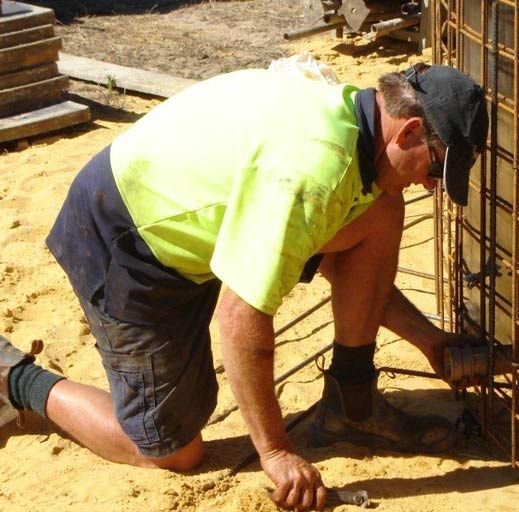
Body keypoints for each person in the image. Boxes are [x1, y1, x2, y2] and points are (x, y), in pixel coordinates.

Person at [0, 62, 488, 511]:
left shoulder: (354, 125)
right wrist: (274, 451)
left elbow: (346, 268)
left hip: (196, 214)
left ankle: (352, 404)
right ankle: (15, 378)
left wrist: (431, 342)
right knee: (172, 451)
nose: (430, 184)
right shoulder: (311, 172)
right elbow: (240, 318)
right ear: (408, 130)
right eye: (436, 168)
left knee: (381, 210)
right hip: (126, 238)